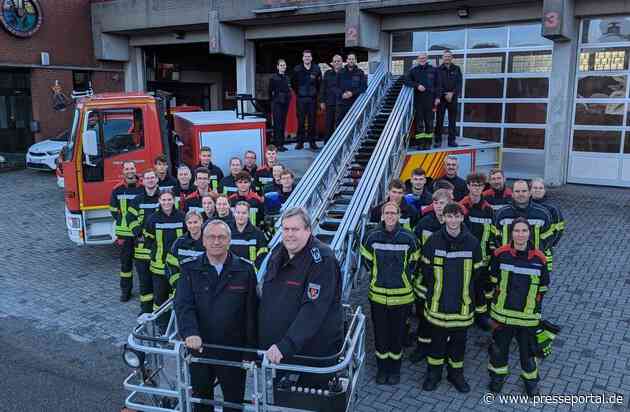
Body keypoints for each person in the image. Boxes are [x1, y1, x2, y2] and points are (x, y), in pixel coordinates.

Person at [175, 219, 258, 412]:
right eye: (211, 237)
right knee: (202, 401)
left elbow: (251, 313)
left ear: (229, 240)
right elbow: (183, 305)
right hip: (200, 348)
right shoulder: (190, 268)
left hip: (233, 350)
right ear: (203, 241)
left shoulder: (244, 270)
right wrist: (190, 333)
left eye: (221, 237)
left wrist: (250, 351)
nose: (216, 241)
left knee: (233, 402)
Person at [258, 207, 344, 388]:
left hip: (311, 352)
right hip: (279, 350)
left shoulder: (322, 259)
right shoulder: (277, 252)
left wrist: (286, 345)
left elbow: (313, 310)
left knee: (307, 402)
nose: (289, 234)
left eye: (295, 229)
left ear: (308, 230)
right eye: (285, 229)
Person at [421, 202, 482, 393]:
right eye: (450, 216)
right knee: (436, 344)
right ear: (444, 218)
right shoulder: (433, 241)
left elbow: (478, 274)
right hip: (437, 305)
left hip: (462, 306)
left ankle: (456, 375)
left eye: (457, 216)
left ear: (462, 218)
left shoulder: (472, 243)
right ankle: (434, 374)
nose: (453, 220)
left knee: (458, 344)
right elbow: (425, 270)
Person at [487, 218, 549, 396]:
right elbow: (493, 279)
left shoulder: (539, 258)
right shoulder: (500, 253)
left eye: (524, 231)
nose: (520, 234)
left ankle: (531, 381)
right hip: (502, 314)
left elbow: (543, 286)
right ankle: (497, 378)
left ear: (529, 233)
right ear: (511, 233)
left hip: (527, 316)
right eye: (517, 231)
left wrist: (535, 306)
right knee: (499, 349)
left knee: (527, 352)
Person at [361, 202, 419, 385]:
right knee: (380, 334)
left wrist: (403, 278)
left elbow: (414, 264)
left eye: (393, 213)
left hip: (402, 296)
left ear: (399, 215)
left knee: (396, 335)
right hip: (378, 296)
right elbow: (367, 262)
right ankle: (382, 368)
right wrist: (379, 277)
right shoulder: (371, 237)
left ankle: (394, 369)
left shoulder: (409, 238)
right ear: (382, 215)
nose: (390, 216)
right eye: (387, 212)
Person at [409, 188, 452, 363]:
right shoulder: (424, 224)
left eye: (443, 203)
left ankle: (441, 348)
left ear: (449, 203)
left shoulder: (455, 225)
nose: (439, 207)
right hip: (425, 278)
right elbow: (415, 248)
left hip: (447, 280)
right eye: (436, 203)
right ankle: (422, 347)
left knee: (443, 318)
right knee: (423, 316)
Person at [459, 173, 496, 325]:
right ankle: (465, 314)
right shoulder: (461, 207)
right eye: (473, 185)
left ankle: (481, 317)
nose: (476, 188)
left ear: (483, 187)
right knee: (465, 287)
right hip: (465, 258)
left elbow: (494, 233)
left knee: (482, 287)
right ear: (468, 186)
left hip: (484, 258)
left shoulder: (489, 210)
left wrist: (493, 253)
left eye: (479, 185)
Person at [494, 180, 554, 272]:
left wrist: (538, 257)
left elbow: (548, 240)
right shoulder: (502, 213)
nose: (520, 194)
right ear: (512, 194)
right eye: (517, 191)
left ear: (530, 193)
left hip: (533, 262)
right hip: (507, 261)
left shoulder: (542, 214)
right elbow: (495, 238)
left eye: (524, 191)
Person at [144, 190, 186, 311]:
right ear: (159, 201)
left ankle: (176, 324)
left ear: (174, 200)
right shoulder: (153, 219)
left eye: (169, 199)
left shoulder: (182, 217)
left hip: (178, 267)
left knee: (178, 296)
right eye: (164, 200)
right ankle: (162, 326)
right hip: (159, 267)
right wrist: (154, 254)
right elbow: (148, 240)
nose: (166, 202)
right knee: (159, 298)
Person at [128, 169, 161, 313]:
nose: (150, 180)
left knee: (160, 285)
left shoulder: (163, 198)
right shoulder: (138, 200)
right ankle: (145, 311)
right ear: (143, 181)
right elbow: (130, 218)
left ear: (157, 180)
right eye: (147, 178)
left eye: (153, 178)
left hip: (159, 249)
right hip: (142, 251)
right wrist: (137, 233)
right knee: (145, 284)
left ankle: (159, 313)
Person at [109, 160, 142, 302]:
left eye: (132, 168)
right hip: (124, 234)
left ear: (136, 169)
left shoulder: (143, 188)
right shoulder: (117, 190)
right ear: (123, 171)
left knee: (142, 264)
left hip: (140, 233)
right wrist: (122, 220)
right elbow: (113, 209)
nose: (130, 171)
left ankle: (145, 290)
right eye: (127, 169)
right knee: (126, 265)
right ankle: (125, 292)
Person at [404, 53, 439, 150]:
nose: (422, 59)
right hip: (418, 101)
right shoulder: (414, 71)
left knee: (429, 123)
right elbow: (406, 80)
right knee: (419, 123)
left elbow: (438, 85)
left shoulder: (433, 70)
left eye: (424, 58)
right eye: (420, 58)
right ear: (418, 60)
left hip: (430, 101)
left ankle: (428, 143)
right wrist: (417, 85)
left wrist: (437, 98)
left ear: (427, 58)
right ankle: (420, 143)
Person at [166, 210, 205, 296]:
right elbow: (170, 265)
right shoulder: (179, 242)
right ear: (186, 224)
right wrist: (178, 285)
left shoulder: (208, 242)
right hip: (183, 289)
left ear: (201, 221)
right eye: (189, 223)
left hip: (204, 290)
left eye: (195, 222)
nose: (193, 226)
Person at [530, 178, 565, 271]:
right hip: (525, 250)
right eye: (535, 188)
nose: (537, 190)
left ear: (544, 190)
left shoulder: (553, 209)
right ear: (530, 190)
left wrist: (548, 245)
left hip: (545, 250)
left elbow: (559, 229)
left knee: (543, 278)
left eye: (540, 188)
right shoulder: (525, 206)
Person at [292, 49, 321, 151]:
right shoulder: (297, 69)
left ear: (311, 58)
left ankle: (312, 143)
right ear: (302, 57)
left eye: (309, 56)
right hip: (301, 99)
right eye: (305, 56)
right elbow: (293, 84)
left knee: (312, 121)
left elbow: (319, 84)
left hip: (312, 99)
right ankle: (300, 143)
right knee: (300, 121)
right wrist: (300, 92)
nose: (307, 58)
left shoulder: (316, 69)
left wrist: (314, 93)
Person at [434, 50, 463, 148]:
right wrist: (444, 94)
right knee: (439, 120)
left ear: (452, 57)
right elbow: (437, 84)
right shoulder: (438, 69)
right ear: (443, 58)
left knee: (452, 120)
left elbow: (459, 83)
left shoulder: (457, 69)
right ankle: (438, 141)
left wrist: (452, 93)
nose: (447, 58)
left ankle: (452, 141)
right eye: (445, 56)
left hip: (453, 99)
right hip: (441, 99)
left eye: (449, 56)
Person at [229, 201, 269, 271]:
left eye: (244, 213)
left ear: (249, 215)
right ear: (234, 214)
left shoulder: (258, 234)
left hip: (250, 274)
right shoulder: (227, 232)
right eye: (238, 213)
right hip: (230, 273)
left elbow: (262, 256)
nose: (240, 216)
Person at [336, 53, 367, 125]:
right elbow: (335, 87)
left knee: (355, 124)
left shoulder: (360, 72)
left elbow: (364, 87)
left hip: (355, 103)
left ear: (355, 60)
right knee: (340, 124)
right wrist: (342, 94)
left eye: (353, 59)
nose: (351, 61)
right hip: (342, 103)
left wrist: (352, 93)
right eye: (349, 59)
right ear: (346, 60)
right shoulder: (340, 72)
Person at [268, 59, 291, 151]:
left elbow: (289, 89)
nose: (283, 67)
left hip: (285, 103)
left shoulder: (287, 77)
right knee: (278, 124)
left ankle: (282, 144)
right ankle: (277, 145)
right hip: (277, 103)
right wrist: (274, 100)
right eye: (281, 65)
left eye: (284, 65)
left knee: (283, 123)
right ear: (277, 67)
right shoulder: (273, 77)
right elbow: (270, 91)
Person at [319, 54, 343, 143]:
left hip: (342, 104)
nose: (337, 63)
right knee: (328, 124)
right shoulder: (327, 73)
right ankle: (327, 144)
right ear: (332, 63)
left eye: (338, 61)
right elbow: (323, 88)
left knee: (340, 124)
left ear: (342, 62)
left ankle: (338, 144)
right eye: (335, 61)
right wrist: (321, 101)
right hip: (330, 103)